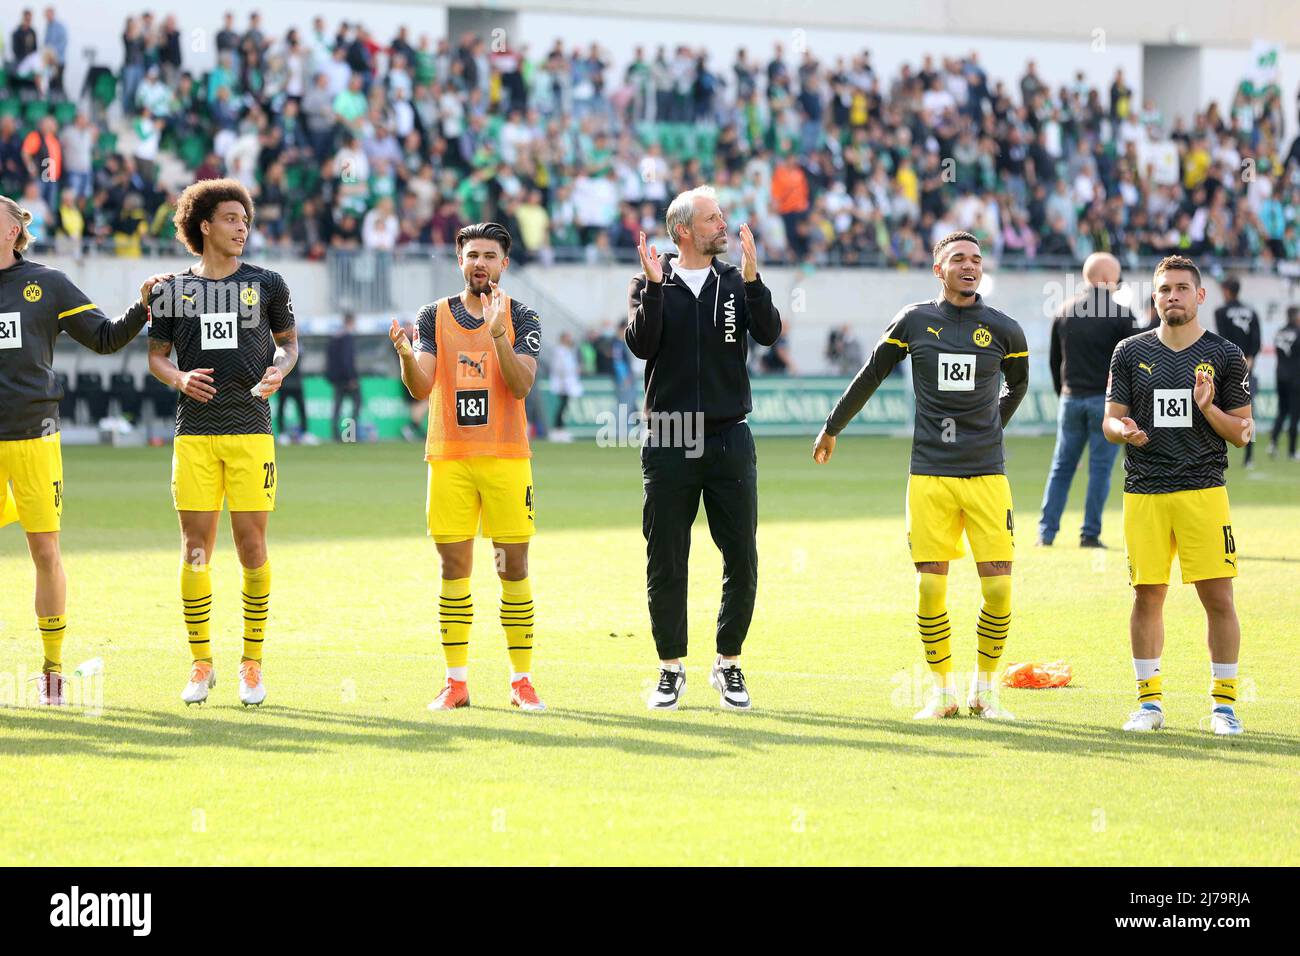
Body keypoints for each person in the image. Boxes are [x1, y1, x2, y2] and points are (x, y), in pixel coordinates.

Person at [813, 231, 1029, 720]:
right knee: (931, 588)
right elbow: (871, 374)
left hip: (987, 474)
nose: (969, 265)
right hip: (929, 473)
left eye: (976, 258)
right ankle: (944, 692)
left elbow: (1019, 386)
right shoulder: (914, 321)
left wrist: (992, 426)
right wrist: (832, 427)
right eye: (958, 259)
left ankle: (986, 691)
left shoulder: (1004, 330)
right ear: (939, 269)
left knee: (998, 588)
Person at [0, 195, 167, 705]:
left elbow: (103, 337)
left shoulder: (46, 283)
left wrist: (143, 307)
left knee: (44, 551)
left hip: (33, 436)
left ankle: (51, 671)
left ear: (13, 230)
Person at [626, 186, 782, 711]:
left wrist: (755, 279)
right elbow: (640, 344)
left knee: (741, 554)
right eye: (714, 219)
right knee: (666, 557)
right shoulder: (649, 280)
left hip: (728, 434)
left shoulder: (737, 282)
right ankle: (671, 669)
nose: (725, 225)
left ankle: (729, 663)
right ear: (684, 231)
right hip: (669, 434)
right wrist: (650, 289)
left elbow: (769, 332)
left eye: (722, 217)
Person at [146, 179, 299, 708]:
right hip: (195, 435)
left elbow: (289, 343)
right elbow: (157, 355)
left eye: (246, 220)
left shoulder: (268, 283)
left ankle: (251, 665)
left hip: (252, 431)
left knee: (253, 549)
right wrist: (179, 378)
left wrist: (281, 368)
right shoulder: (171, 290)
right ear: (204, 225)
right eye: (232, 219)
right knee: (195, 552)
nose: (242, 228)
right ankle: (201, 662)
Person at [389, 222, 546, 713]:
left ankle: (521, 681)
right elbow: (420, 385)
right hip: (450, 458)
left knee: (512, 567)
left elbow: (520, 386)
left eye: (490, 256)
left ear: (504, 263)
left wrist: (498, 333)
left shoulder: (524, 316)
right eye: (472, 254)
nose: (481, 263)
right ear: (460, 261)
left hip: (505, 460)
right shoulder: (431, 316)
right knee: (454, 568)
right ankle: (456, 683)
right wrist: (403, 355)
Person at [1103, 255, 1253, 736]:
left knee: (1219, 598)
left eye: (1182, 288)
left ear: (1200, 295)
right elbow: (1109, 421)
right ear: (1154, 296)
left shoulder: (1226, 355)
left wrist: (1208, 408)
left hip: (1203, 491)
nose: (1173, 296)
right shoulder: (1128, 351)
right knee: (1147, 596)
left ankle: (1224, 707)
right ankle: (1149, 705)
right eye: (1164, 288)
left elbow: (1243, 433)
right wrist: (1121, 430)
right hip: (1144, 491)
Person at [1038, 252, 1139, 548]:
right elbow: (1132, 364)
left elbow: (1055, 361)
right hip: (1106, 404)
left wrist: (1063, 394)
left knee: (1062, 467)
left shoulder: (1064, 310)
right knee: (1100, 470)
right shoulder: (1122, 314)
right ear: (1108, 279)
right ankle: (1090, 533)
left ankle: (1046, 533)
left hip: (1070, 398)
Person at [1213, 276, 1261, 468]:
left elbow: (1222, 339)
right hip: (1246, 366)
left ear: (1226, 290)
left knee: (1215, 409)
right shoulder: (1252, 311)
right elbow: (1257, 339)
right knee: (1249, 413)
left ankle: (1217, 454)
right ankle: (1249, 457)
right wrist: (1249, 359)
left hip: (1226, 366)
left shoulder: (1221, 311)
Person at [1269, 305, 1300, 459]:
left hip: (1280, 376)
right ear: (1296, 316)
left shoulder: (1280, 332)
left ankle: (1273, 444)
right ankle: (1292, 451)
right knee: (1295, 414)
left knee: (1282, 411)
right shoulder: (1298, 332)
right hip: (1295, 378)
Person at [326, 311, 361, 441]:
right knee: (356, 404)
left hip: (337, 379)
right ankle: (350, 435)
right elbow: (347, 359)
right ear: (351, 321)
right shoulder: (347, 338)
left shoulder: (335, 337)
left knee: (337, 406)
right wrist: (351, 378)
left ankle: (335, 435)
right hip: (347, 378)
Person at [547, 330, 581, 441]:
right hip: (563, 384)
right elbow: (559, 368)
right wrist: (562, 383)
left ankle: (560, 429)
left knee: (564, 407)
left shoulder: (568, 351)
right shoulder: (559, 351)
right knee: (562, 407)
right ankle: (558, 430)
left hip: (568, 383)